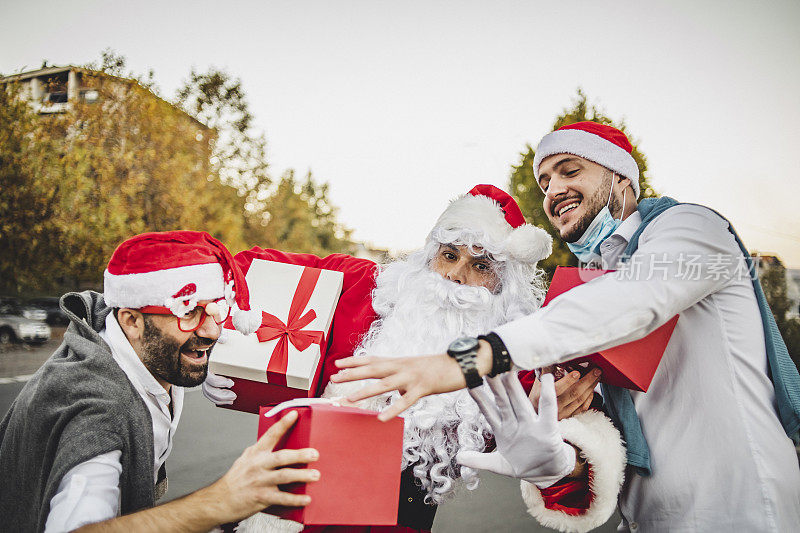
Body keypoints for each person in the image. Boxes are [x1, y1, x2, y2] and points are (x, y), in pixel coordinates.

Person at [331, 122, 800, 532]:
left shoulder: (691, 228)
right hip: (648, 513)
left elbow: (634, 300)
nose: (553, 189)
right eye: (544, 181)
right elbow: (592, 417)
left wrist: (465, 361)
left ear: (619, 176)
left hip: (739, 503)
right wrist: (554, 447)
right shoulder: (590, 283)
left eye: (570, 170)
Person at [204, 185, 614, 532]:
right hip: (282, 513)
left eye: (481, 265)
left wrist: (566, 462)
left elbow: (584, 478)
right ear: (430, 254)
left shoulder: (515, 363)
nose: (455, 276)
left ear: (504, 285)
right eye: (449, 255)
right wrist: (217, 343)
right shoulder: (364, 286)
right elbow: (242, 270)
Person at [0, 231, 321, 533]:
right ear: (132, 321)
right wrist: (222, 499)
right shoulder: (100, 411)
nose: (211, 332)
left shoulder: (130, 336)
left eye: (215, 310)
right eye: (189, 313)